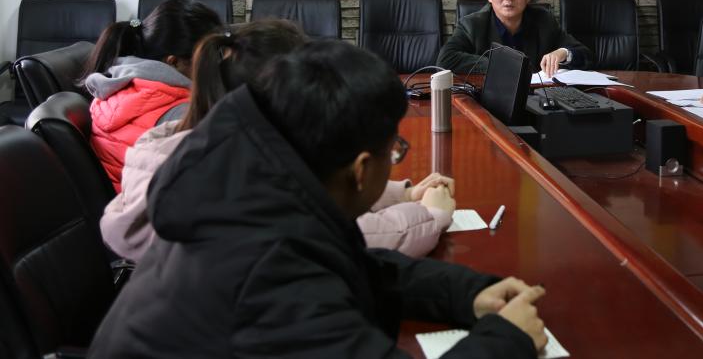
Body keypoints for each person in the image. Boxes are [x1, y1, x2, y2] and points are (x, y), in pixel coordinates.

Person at [88, 40, 547, 357]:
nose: (395, 159)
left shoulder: (251, 181)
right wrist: (510, 339)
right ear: (361, 170)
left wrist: (466, 293)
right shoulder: (269, 275)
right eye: (394, 150)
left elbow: (352, 263)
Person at [101, 21, 457, 261]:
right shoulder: (229, 175)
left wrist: (401, 194)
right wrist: (430, 215)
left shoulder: (200, 143)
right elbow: (334, 236)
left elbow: (312, 191)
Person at [81, 0, 222, 191]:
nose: (215, 65)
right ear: (174, 62)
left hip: (124, 198)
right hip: (152, 204)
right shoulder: (179, 112)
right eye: (209, 57)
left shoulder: (114, 85)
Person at [438, 0, 593, 77]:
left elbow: (587, 55)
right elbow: (446, 59)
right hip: (490, 98)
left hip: (537, 98)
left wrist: (563, 53)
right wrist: (501, 65)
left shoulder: (544, 20)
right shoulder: (472, 24)